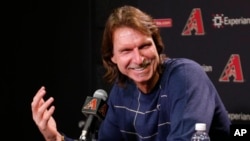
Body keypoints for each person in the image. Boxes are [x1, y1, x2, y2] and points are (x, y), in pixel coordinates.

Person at [31, 5, 231, 141]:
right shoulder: (122, 91)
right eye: (126, 51)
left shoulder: (186, 77)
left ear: (157, 46)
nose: (138, 59)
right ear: (112, 58)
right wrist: (54, 137)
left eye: (144, 46)